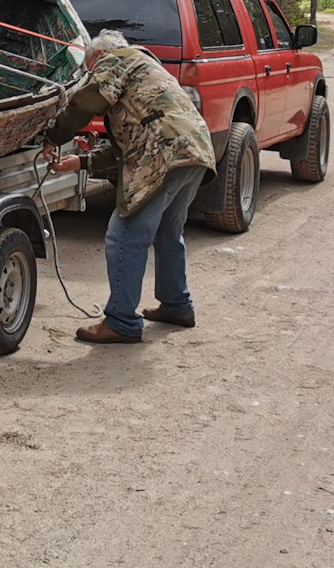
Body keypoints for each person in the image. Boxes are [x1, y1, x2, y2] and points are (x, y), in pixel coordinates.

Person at [45, 30, 217, 344]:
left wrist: (52, 135)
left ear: (98, 57)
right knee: (168, 230)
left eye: (89, 69)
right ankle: (177, 305)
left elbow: (88, 100)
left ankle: (122, 320)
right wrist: (80, 162)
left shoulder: (116, 59)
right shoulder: (145, 70)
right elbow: (127, 147)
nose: (90, 75)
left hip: (164, 151)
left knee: (124, 234)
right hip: (193, 149)